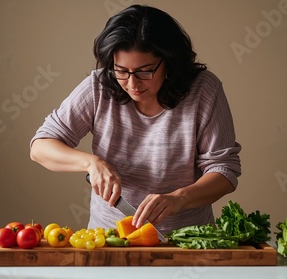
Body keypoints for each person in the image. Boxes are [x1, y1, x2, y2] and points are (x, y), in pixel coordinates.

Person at [30, 4, 241, 235]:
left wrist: (179, 198)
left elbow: (224, 171)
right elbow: (40, 147)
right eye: (121, 70)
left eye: (145, 71)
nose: (132, 84)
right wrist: (92, 163)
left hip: (187, 240)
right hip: (109, 239)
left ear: (169, 61)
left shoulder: (204, 90)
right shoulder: (98, 86)